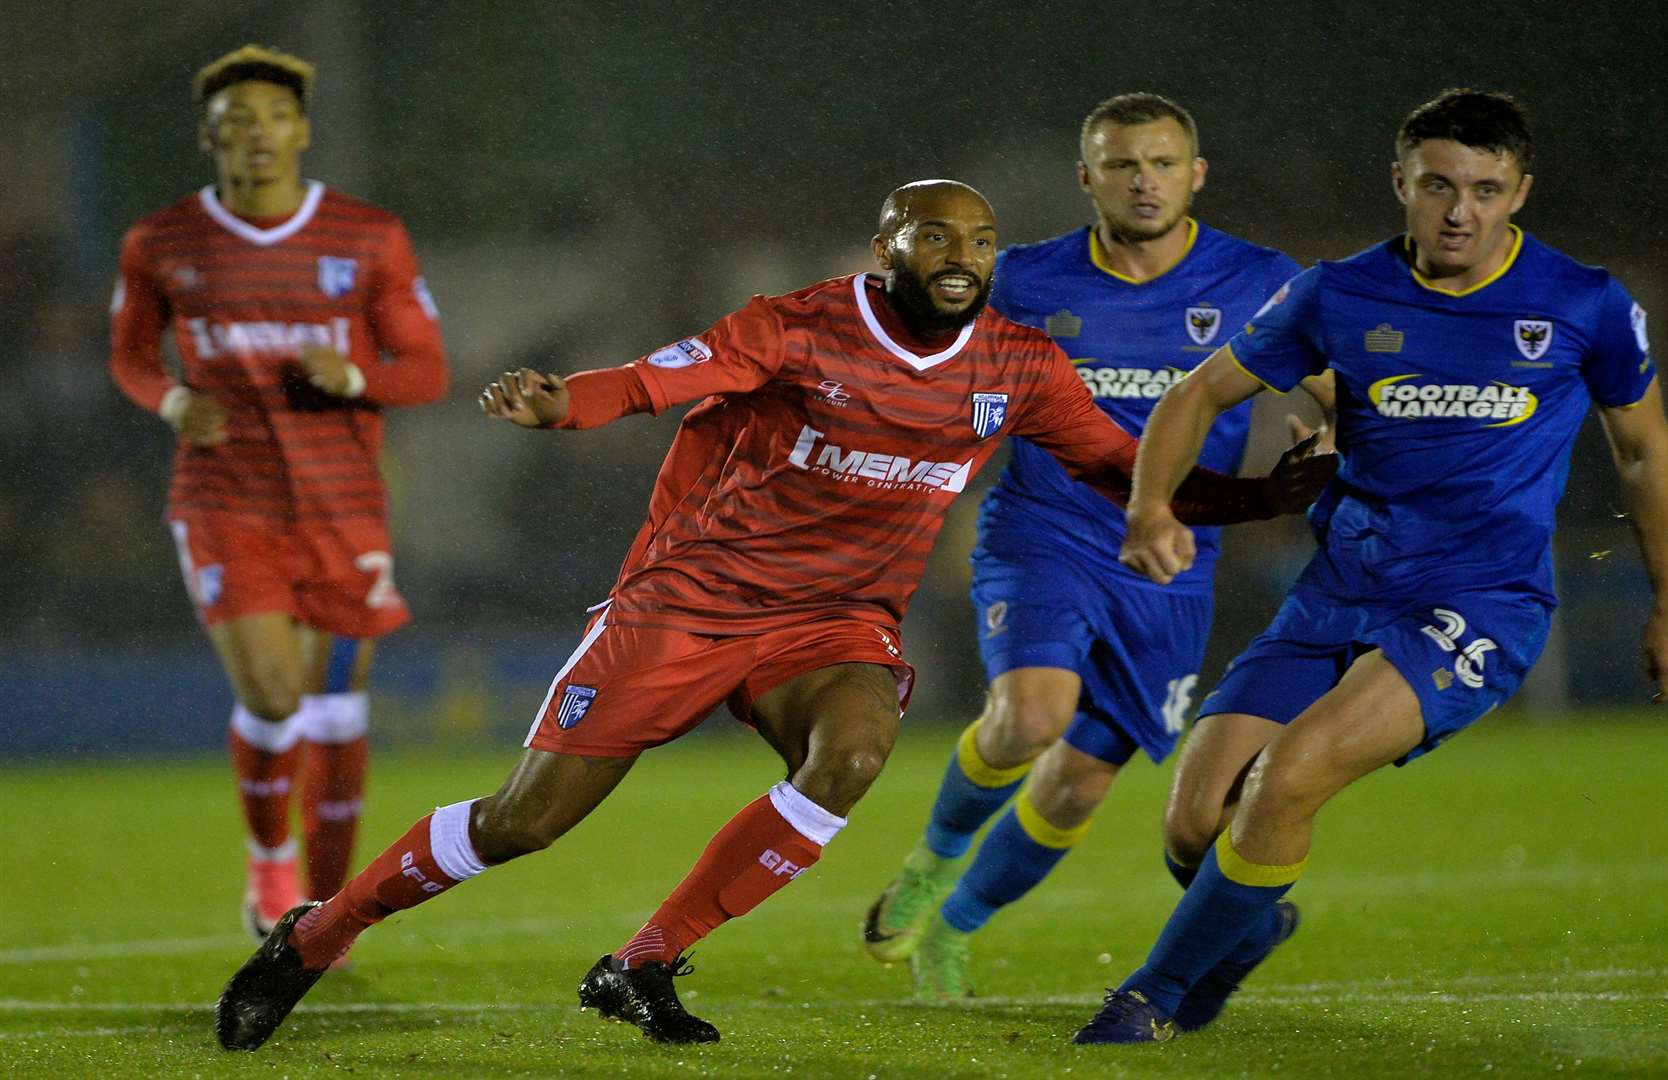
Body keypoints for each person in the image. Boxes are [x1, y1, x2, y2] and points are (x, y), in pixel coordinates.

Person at [214, 179, 1336, 1052]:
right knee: (526, 824)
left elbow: (1124, 470)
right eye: (935, 239)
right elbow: (658, 377)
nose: (962, 259)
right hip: (691, 602)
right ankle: (318, 932)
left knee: (851, 752)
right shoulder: (797, 326)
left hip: (835, 623)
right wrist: (567, 406)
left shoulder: (1017, 361)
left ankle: (645, 961)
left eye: (981, 243)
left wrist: (1258, 496)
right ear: (884, 244)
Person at [1071, 89, 1668, 1044]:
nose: (1462, 211)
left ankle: (1149, 999)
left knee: (1284, 780)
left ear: (1521, 192)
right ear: (1401, 183)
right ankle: (1241, 925)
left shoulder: (1583, 302)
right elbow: (1198, 393)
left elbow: (1645, 455)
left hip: (1480, 603)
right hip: (1339, 590)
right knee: (1194, 824)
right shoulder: (1338, 292)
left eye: (1488, 190)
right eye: (1439, 186)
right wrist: (1150, 508)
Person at [861, 93, 1321, 1006]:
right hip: (1046, 532)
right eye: (1121, 165)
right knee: (1032, 716)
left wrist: (1345, 457)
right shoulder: (1025, 280)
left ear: (1195, 175)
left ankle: (952, 930)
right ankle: (929, 863)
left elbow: (1335, 385)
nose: (1142, 182)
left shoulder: (1259, 279)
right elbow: (915, 357)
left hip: (1173, 563)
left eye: (1160, 164)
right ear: (1087, 179)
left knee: (1075, 787)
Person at [108, 45, 448, 942]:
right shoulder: (162, 241)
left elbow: (427, 372)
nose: (256, 133)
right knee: (271, 694)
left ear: (300, 130)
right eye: (236, 120)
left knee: (337, 705)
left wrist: (354, 374)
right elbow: (130, 356)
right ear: (209, 137)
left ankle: (326, 910)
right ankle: (269, 863)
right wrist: (174, 399)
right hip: (227, 501)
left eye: (273, 116)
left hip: (342, 506)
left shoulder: (367, 236)